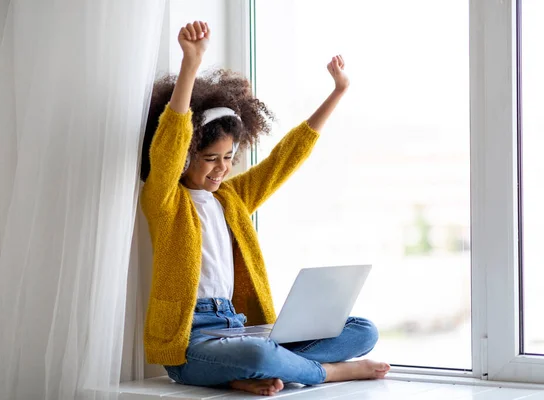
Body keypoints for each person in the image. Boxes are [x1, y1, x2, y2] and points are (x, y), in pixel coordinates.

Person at [140, 20, 390, 396]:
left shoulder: (232, 198)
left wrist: (337, 93)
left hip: (240, 325)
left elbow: (282, 161)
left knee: (362, 329)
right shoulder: (165, 200)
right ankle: (330, 373)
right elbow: (169, 146)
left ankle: (249, 373)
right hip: (191, 341)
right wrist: (191, 63)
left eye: (228, 157)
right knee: (258, 355)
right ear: (188, 157)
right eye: (209, 158)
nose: (221, 168)